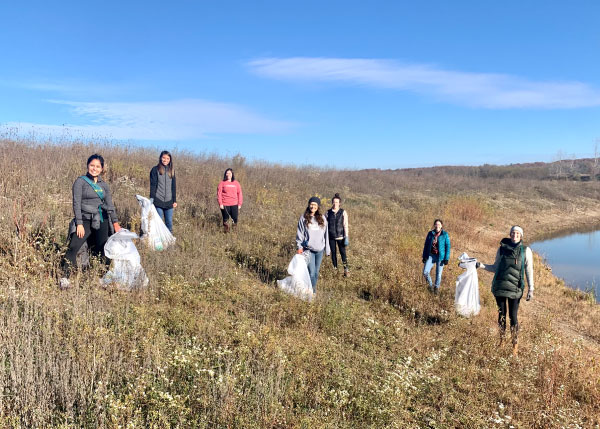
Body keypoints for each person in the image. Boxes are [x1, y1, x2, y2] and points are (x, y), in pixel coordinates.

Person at [60, 154, 121, 288]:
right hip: (85, 219)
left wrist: (115, 223)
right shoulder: (80, 182)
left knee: (104, 249)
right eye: (92, 165)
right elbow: (76, 203)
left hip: (102, 219)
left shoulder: (104, 185)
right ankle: (65, 278)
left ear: (102, 169)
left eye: (98, 166)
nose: (94, 168)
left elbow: (109, 205)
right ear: (88, 165)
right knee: (73, 247)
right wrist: (79, 224)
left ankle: (102, 278)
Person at [478, 225, 534, 356]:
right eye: (513, 233)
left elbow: (529, 270)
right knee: (501, 315)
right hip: (500, 287)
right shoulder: (501, 249)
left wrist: (531, 288)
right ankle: (501, 341)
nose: (515, 235)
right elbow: (495, 267)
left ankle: (515, 346)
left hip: (515, 289)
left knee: (513, 317)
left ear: (521, 236)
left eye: (517, 233)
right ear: (510, 234)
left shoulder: (525, 251)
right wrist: (480, 265)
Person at [296, 196, 331, 293]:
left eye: (315, 205)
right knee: (311, 273)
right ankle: (311, 292)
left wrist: (327, 249)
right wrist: (299, 247)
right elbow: (300, 233)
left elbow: (326, 234)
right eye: (311, 204)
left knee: (316, 273)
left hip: (320, 250)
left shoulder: (322, 218)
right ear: (309, 205)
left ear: (318, 206)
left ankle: (312, 291)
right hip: (308, 249)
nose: (313, 206)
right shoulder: (304, 218)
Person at [149, 150, 177, 233]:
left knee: (169, 223)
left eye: (168, 158)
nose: (165, 160)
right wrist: (152, 199)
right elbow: (153, 185)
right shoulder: (155, 170)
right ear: (160, 158)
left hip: (169, 202)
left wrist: (174, 200)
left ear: (170, 160)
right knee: (159, 222)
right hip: (158, 201)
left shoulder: (171, 170)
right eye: (164, 158)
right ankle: (159, 243)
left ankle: (169, 242)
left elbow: (173, 186)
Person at [422, 219, 451, 294]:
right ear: (434, 225)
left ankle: (436, 288)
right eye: (436, 224)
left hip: (440, 257)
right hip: (431, 255)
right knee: (425, 272)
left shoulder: (445, 234)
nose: (437, 226)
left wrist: (446, 258)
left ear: (441, 226)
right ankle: (430, 286)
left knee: (438, 274)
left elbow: (448, 246)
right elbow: (426, 245)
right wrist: (424, 256)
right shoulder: (430, 233)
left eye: (439, 224)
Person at [326, 193, 349, 277]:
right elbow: (325, 225)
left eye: (337, 202)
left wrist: (346, 236)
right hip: (331, 237)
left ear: (339, 203)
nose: (335, 204)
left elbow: (345, 225)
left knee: (343, 253)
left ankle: (346, 270)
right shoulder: (328, 213)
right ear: (332, 202)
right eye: (334, 202)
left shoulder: (343, 212)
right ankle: (335, 270)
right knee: (333, 254)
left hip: (340, 236)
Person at [217, 168, 243, 232]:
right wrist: (220, 203)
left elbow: (240, 193)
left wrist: (239, 204)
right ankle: (226, 233)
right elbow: (219, 194)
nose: (228, 174)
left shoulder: (236, 183)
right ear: (225, 174)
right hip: (225, 204)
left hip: (234, 204)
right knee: (226, 220)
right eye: (227, 173)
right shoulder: (222, 183)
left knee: (235, 219)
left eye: (229, 173)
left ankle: (234, 233)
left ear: (232, 174)